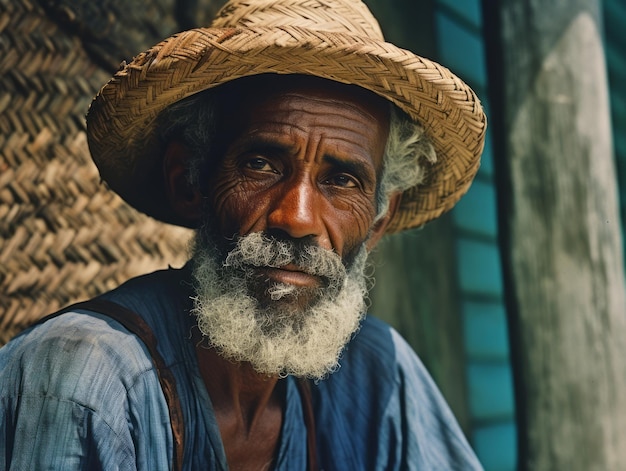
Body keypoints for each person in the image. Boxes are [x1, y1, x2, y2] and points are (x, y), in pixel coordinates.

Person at [0, 0, 487, 469]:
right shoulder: (85, 381)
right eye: (261, 164)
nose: (297, 218)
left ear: (378, 220)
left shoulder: (376, 378)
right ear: (188, 181)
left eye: (341, 180)